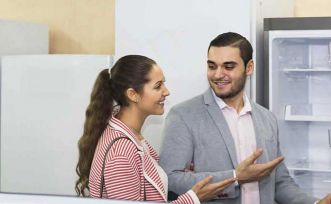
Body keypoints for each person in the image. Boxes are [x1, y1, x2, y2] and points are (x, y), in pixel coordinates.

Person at [159, 32, 331, 204]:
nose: (217, 74)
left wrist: (316, 202)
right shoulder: (184, 115)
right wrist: (235, 177)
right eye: (212, 66)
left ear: (249, 67)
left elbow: (279, 182)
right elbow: (170, 179)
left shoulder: (266, 118)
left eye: (228, 66)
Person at [75, 55, 235, 203]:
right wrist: (193, 198)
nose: (166, 92)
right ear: (133, 94)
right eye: (158, 86)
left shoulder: (131, 134)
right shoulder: (121, 153)